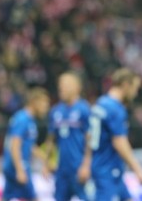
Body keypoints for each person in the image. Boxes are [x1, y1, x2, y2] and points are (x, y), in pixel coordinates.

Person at [88, 68, 142, 201]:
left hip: (103, 164)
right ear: (126, 85)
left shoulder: (101, 103)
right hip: (107, 169)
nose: (135, 93)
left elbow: (89, 136)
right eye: (134, 88)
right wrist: (137, 168)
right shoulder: (115, 108)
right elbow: (119, 141)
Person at [43, 72, 91, 201]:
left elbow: (90, 140)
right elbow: (51, 140)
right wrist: (46, 163)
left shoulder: (84, 109)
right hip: (61, 170)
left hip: (79, 167)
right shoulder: (55, 111)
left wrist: (86, 165)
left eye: (64, 85)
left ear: (76, 87)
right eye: (60, 86)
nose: (61, 89)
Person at [2, 88, 51, 201]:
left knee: (6, 197)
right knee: (33, 197)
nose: (46, 107)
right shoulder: (22, 119)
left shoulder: (30, 120)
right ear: (34, 102)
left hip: (12, 166)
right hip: (19, 165)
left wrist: (44, 159)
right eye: (44, 103)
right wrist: (19, 169)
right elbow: (14, 145)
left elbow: (30, 146)